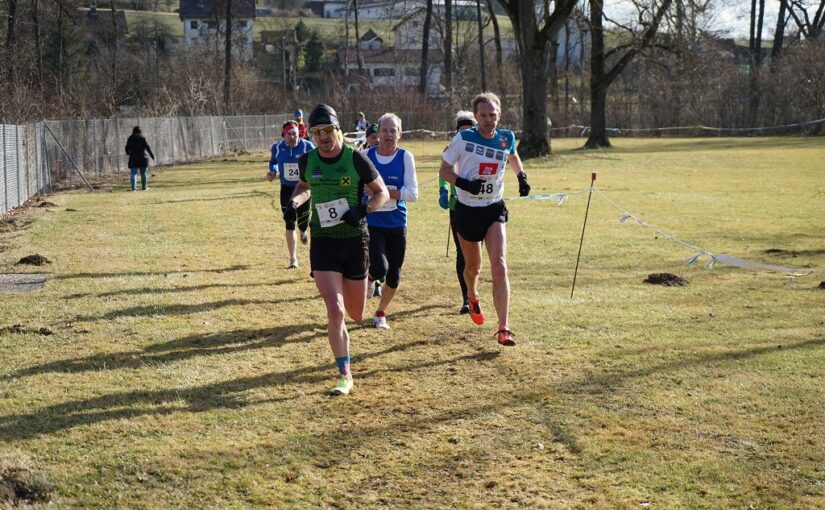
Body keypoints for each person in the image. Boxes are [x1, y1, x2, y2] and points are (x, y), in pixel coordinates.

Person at [286, 104, 389, 395]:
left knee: (356, 313)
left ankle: (369, 279)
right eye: (317, 132)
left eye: (328, 131)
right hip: (324, 243)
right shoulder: (307, 161)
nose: (323, 137)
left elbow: (381, 192)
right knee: (336, 311)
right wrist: (295, 203)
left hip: (356, 241)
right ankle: (345, 374)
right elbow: (304, 187)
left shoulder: (355, 160)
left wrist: (363, 209)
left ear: (338, 130)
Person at [438, 92, 531, 346]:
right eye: (483, 115)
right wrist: (465, 184)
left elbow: (512, 156)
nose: (489, 120)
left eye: (493, 115)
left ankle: (504, 328)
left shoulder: (506, 137)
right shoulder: (464, 138)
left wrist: (521, 176)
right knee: (473, 268)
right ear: (476, 117)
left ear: (499, 114)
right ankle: (472, 294)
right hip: (467, 211)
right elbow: (444, 171)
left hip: (493, 208)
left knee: (499, 267)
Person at [364, 113, 418, 329]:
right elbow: (357, 187)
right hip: (373, 220)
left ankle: (380, 313)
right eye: (384, 130)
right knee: (380, 267)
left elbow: (413, 194)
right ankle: (370, 276)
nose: (388, 135)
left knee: (394, 275)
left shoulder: (406, 157)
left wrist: (384, 192)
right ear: (377, 134)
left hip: (397, 223)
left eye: (392, 131)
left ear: (400, 134)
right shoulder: (366, 155)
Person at [438, 111, 476, 314]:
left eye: (469, 130)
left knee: (477, 257)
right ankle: (467, 298)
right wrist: (443, 191)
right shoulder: (452, 147)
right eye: (462, 130)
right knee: (463, 253)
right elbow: (443, 172)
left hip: (482, 207)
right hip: (457, 207)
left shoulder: (482, 148)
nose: (465, 133)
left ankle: (474, 290)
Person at [268, 120, 316, 268]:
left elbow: (317, 161)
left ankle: (303, 231)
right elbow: (273, 161)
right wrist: (273, 170)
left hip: (304, 188)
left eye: (295, 133)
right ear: (284, 135)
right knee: (289, 222)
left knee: (303, 222)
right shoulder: (277, 147)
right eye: (289, 134)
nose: (293, 137)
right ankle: (293, 259)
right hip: (286, 189)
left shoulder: (307, 146)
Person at [125, 126, 155, 191]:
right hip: (142, 157)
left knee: (133, 173)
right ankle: (144, 187)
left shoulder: (130, 138)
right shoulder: (142, 138)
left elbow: (127, 148)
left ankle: (134, 188)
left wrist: (128, 153)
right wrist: (152, 155)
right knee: (143, 173)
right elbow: (147, 147)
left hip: (133, 158)